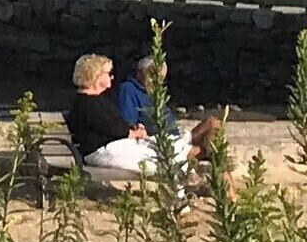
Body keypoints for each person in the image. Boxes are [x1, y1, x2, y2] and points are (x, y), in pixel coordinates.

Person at [66, 53, 219, 180]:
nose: (112, 78)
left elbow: (113, 124)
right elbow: (112, 128)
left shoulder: (95, 100)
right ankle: (211, 158)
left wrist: (133, 129)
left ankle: (209, 159)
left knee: (171, 148)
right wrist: (133, 132)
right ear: (96, 76)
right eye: (109, 74)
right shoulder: (87, 103)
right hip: (105, 151)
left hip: (113, 147)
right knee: (165, 154)